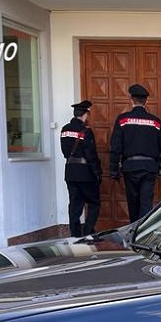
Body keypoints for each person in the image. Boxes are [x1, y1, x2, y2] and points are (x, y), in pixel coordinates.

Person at [109, 83, 161, 223]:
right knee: (146, 204)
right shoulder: (155, 122)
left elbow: (115, 147)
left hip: (130, 168)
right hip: (149, 168)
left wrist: (114, 171)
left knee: (133, 203)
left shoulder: (123, 120)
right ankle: (142, 232)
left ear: (131, 100)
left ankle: (133, 230)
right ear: (146, 101)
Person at [60, 99, 102, 236]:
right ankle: (88, 231)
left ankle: (75, 234)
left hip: (70, 172)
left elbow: (65, 152)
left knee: (74, 204)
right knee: (94, 203)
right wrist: (97, 173)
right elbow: (91, 155)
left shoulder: (65, 130)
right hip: (85, 173)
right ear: (85, 115)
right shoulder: (86, 131)